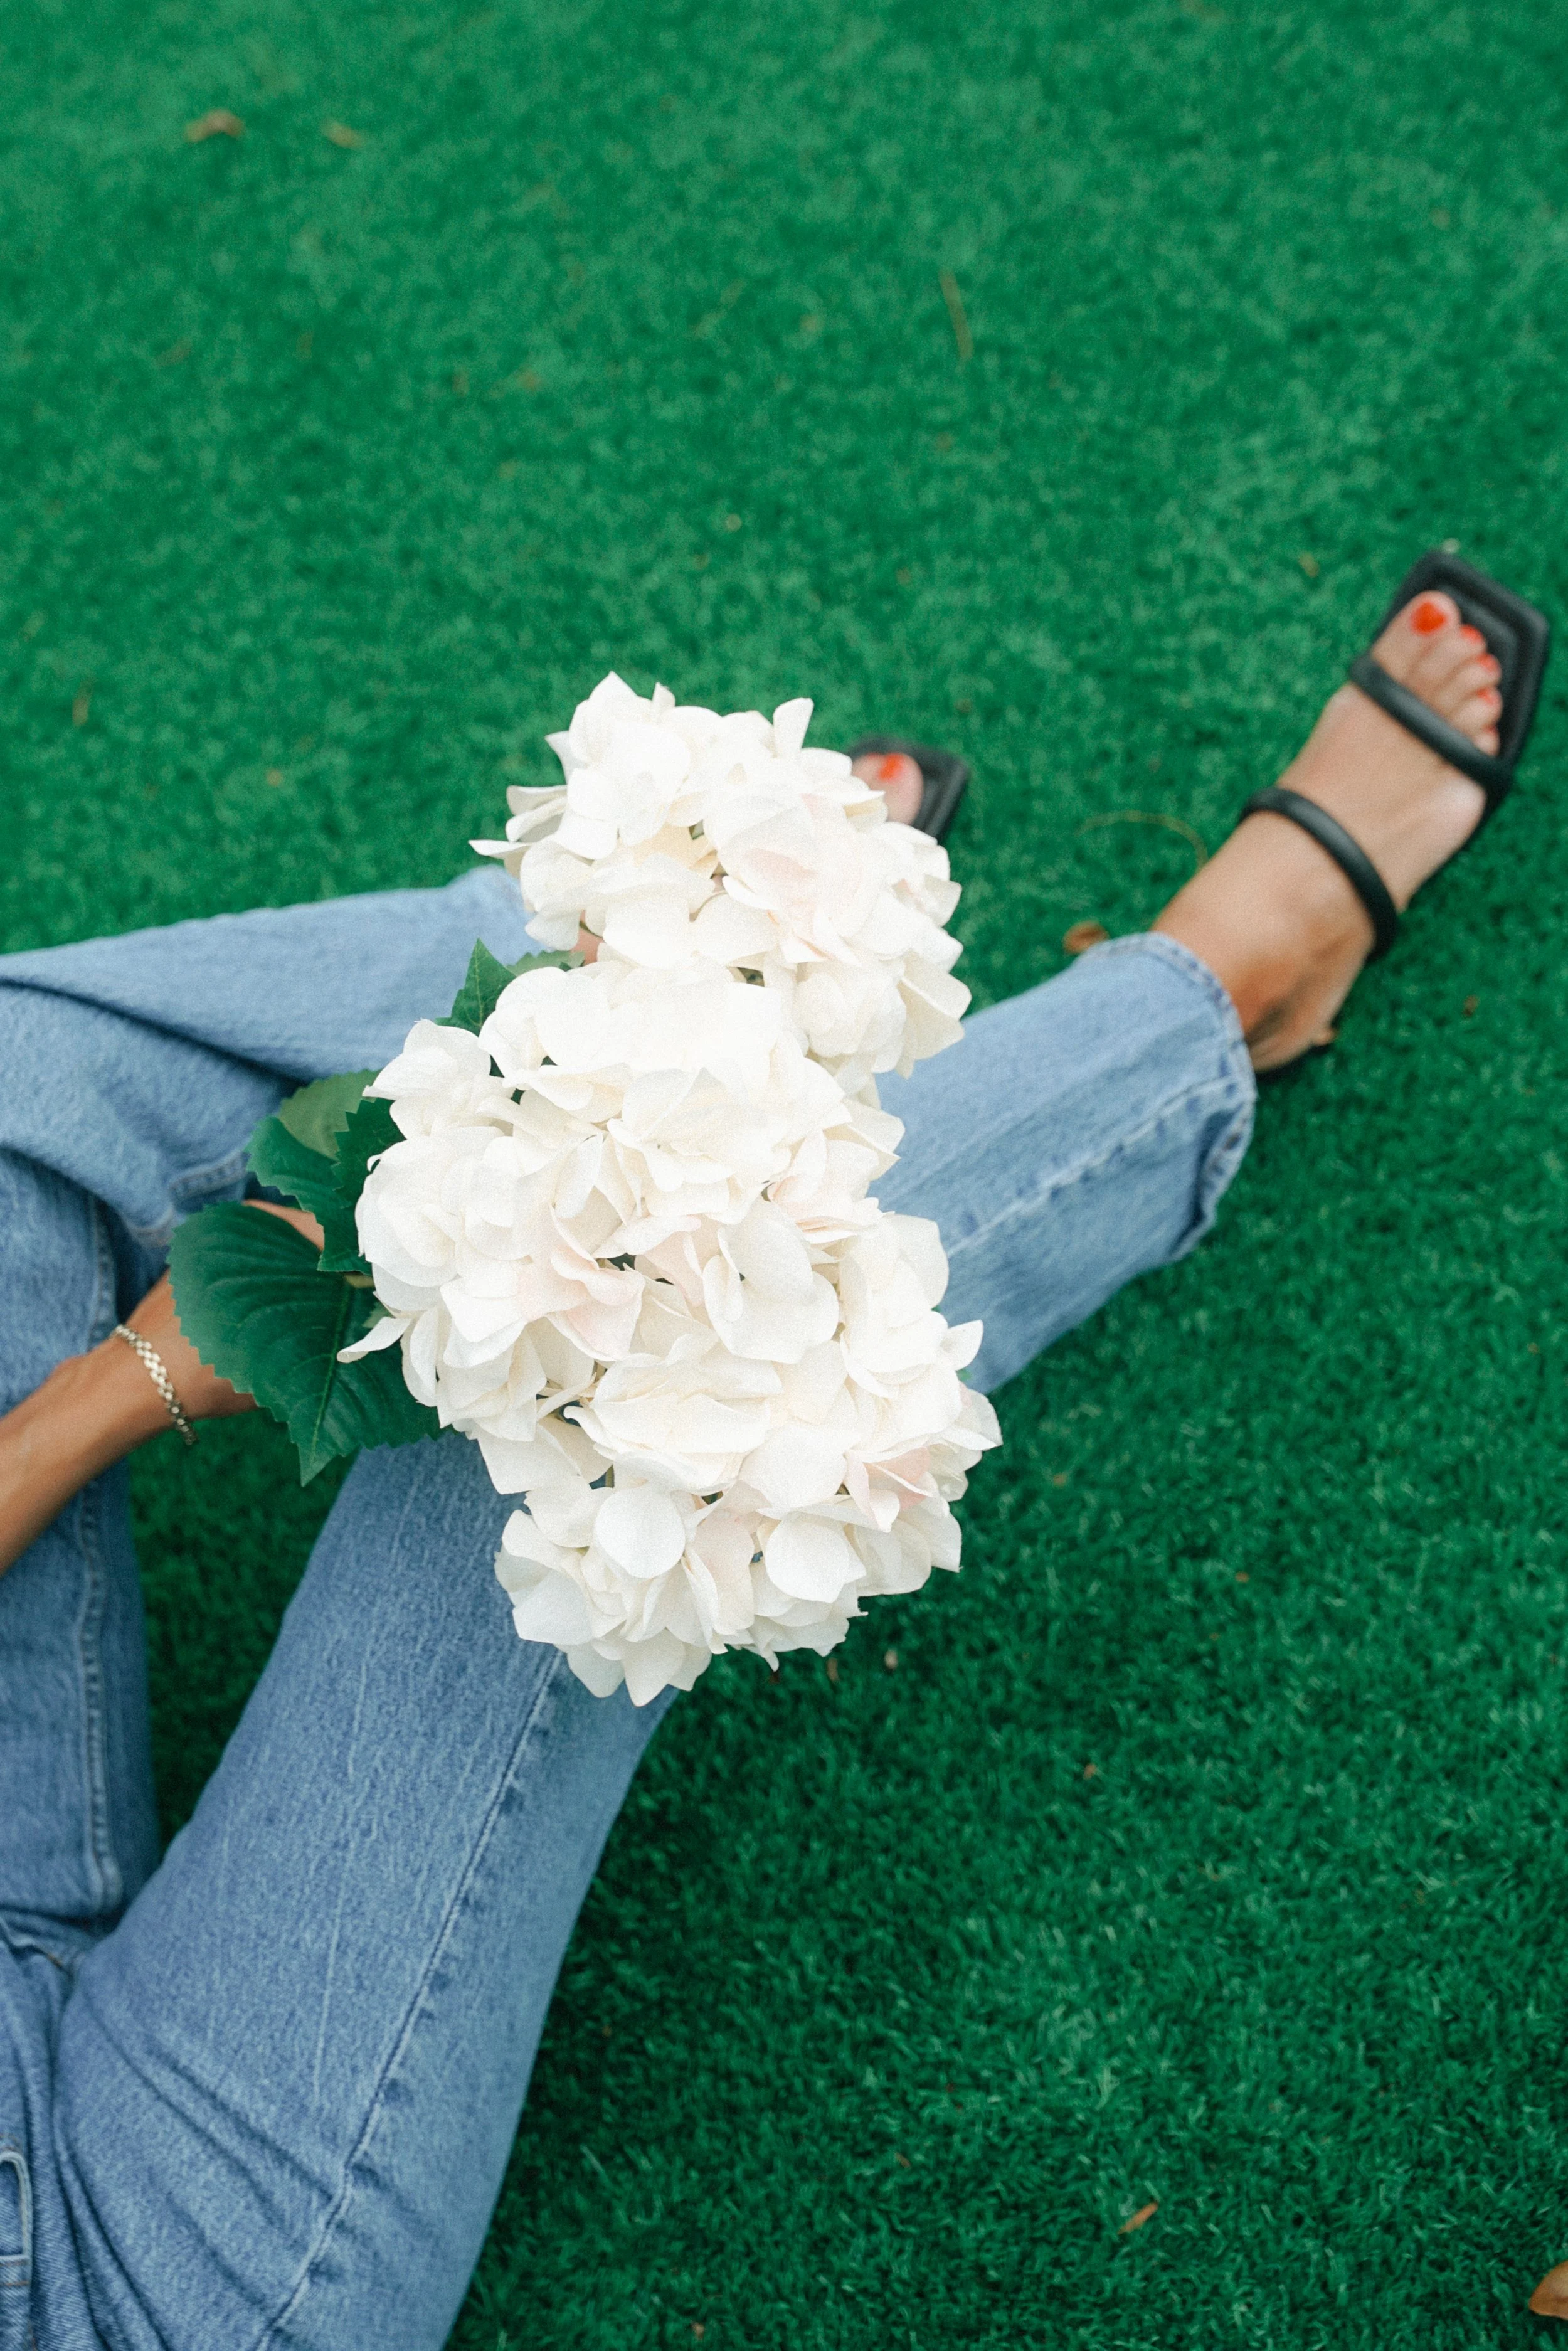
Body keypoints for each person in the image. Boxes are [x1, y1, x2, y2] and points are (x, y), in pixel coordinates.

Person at [0, 587, 1519, 2347]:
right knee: (584, 1390)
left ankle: (680, 931)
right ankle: (1203, 1000)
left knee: (25, 1086)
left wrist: (98, 1398)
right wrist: (140, 1375)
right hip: (113, 2267)